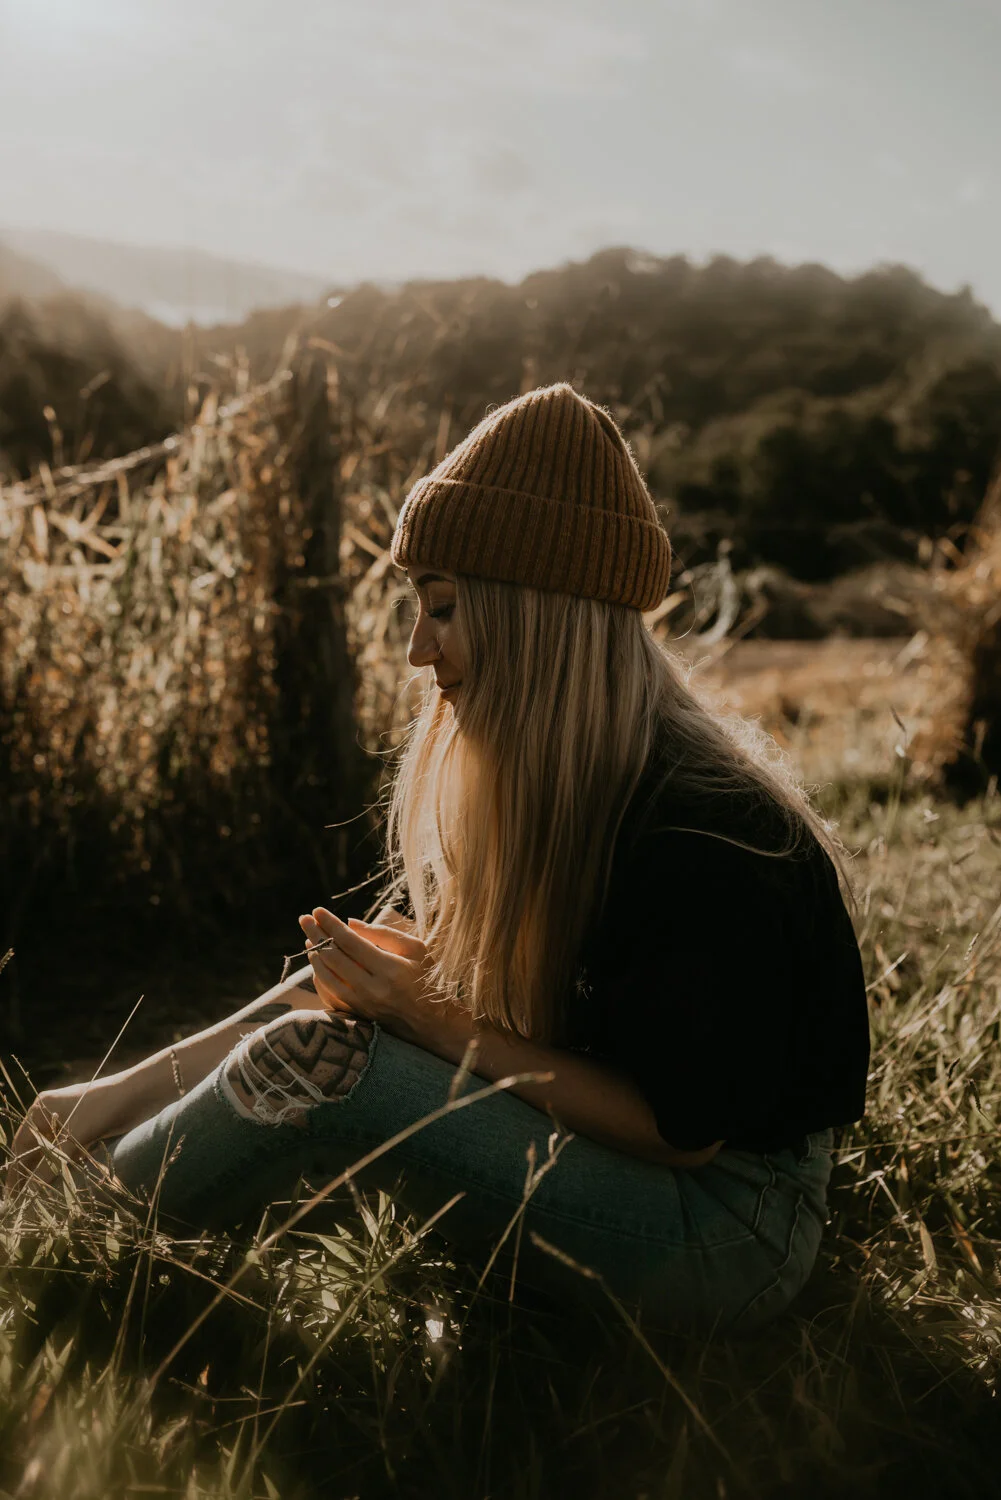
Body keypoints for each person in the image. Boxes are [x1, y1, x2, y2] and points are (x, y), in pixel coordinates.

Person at [6, 384, 870, 1336]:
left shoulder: (708, 831)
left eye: (445, 608)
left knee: (329, 1070)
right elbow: (363, 985)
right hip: (605, 1164)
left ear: (537, 615)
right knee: (330, 1037)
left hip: (728, 1227)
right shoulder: (546, 784)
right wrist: (103, 1098)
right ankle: (73, 1219)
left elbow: (680, 1134)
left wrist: (427, 1019)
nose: (418, 649)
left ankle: (53, 1260)